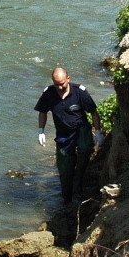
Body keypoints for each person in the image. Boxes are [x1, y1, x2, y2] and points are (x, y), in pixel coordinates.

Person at [35, 67, 103, 205]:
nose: (60, 87)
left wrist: (98, 132)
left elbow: (93, 112)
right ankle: (67, 198)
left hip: (80, 128)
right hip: (63, 134)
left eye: (62, 83)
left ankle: (79, 180)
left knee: (85, 148)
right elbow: (42, 112)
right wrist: (41, 131)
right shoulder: (49, 94)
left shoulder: (79, 92)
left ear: (68, 79)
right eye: (56, 84)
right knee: (65, 168)